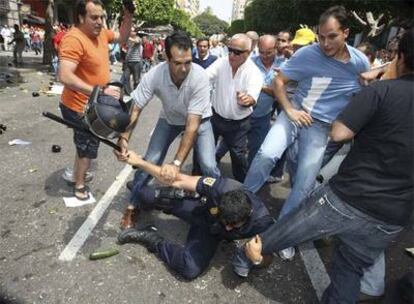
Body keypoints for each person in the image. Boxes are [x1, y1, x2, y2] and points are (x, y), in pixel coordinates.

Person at [234, 27, 414, 304]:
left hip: (346, 200)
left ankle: (243, 256)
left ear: (400, 56)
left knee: (272, 238)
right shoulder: (314, 60)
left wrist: (382, 84)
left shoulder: (381, 89)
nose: (326, 43)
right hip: (391, 217)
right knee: (349, 269)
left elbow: (340, 133)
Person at [244, 6, 370, 260]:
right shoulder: (306, 55)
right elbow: (278, 83)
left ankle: (282, 237)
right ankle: (239, 204)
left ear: (346, 33)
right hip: (294, 116)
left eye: (332, 36)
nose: (325, 43)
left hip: (321, 128)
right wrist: (289, 110)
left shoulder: (360, 63)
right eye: (321, 36)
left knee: (302, 185)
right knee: (266, 154)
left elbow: (365, 93)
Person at [115, 31, 220, 230]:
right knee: (150, 160)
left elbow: (192, 126)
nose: (184, 68)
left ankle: (220, 204)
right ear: (166, 58)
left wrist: (177, 163)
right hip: (169, 118)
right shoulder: (155, 74)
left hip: (200, 120)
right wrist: (124, 138)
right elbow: (136, 108)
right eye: (178, 63)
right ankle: (133, 205)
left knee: (209, 165)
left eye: (188, 62)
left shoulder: (200, 78)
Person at [117, 150, 273, 280]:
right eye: (226, 220)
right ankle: (163, 196)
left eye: (233, 225)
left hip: (211, 232)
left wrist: (257, 259)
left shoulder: (262, 222)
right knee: (144, 194)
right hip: (203, 210)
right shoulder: (221, 187)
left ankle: (151, 238)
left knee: (189, 268)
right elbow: (178, 179)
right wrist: (140, 163)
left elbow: (270, 256)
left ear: (248, 215)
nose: (228, 226)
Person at [58, 0, 133, 200]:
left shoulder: (100, 34)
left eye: (102, 17)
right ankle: (79, 184)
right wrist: (98, 92)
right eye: (94, 17)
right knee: (88, 145)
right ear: (81, 17)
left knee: (83, 142)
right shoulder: (74, 39)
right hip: (78, 105)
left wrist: (128, 15)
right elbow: (65, 76)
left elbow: (123, 37)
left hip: (93, 101)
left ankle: (77, 174)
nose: (100, 22)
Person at [206, 33, 263, 182]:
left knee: (238, 157)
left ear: (248, 53)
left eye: (237, 52)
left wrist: (247, 100)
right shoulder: (221, 62)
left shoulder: (254, 73)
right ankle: (197, 184)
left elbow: (252, 97)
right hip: (215, 118)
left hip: (238, 125)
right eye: (229, 49)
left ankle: (242, 190)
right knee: (203, 150)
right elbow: (204, 78)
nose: (231, 55)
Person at [123, 28, 143, 94]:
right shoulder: (129, 40)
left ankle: (136, 93)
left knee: (136, 80)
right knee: (125, 77)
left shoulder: (138, 38)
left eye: (132, 31)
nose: (130, 32)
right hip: (128, 62)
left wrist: (127, 37)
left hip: (136, 62)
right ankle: (128, 92)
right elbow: (127, 48)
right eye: (130, 30)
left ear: (135, 32)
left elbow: (136, 41)